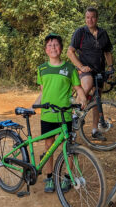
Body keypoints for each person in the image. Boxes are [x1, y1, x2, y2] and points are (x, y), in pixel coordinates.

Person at [35, 33, 87, 193]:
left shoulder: (69, 68)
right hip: (47, 115)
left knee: (69, 147)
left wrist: (82, 98)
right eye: (50, 45)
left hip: (65, 115)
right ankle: (49, 178)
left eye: (56, 45)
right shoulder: (42, 69)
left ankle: (67, 178)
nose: (53, 48)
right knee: (48, 147)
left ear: (61, 48)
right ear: (45, 50)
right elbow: (43, 92)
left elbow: (78, 89)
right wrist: (34, 106)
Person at [67, 6, 114, 141]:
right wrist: (81, 66)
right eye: (87, 17)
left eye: (92, 17)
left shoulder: (103, 33)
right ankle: (75, 115)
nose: (90, 20)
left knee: (96, 99)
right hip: (84, 70)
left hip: (99, 70)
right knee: (87, 85)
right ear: (85, 18)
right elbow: (70, 52)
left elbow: (107, 52)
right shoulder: (80, 32)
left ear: (97, 18)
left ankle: (95, 130)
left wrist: (111, 67)